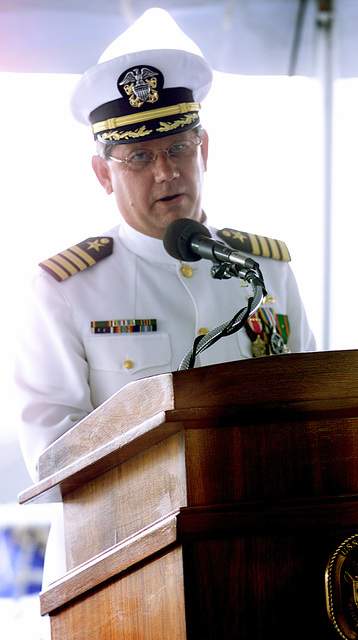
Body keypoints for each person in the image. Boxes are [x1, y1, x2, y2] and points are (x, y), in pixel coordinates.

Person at [15, 48, 315, 588]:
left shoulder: (264, 269)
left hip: (256, 559)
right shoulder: (65, 291)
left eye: (179, 146)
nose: (166, 171)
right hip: (123, 573)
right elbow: (51, 461)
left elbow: (313, 412)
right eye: (139, 157)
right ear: (103, 174)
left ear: (205, 149)